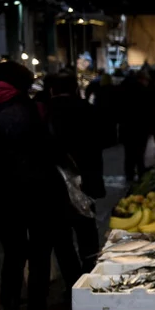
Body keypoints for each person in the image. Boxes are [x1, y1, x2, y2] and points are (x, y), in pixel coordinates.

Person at [0, 62, 83, 310]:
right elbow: (52, 148)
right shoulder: (34, 108)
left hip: (1, 195)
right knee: (40, 254)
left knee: (13, 254)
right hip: (39, 193)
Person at [44, 70, 105, 271]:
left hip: (55, 182)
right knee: (87, 229)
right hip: (86, 179)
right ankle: (90, 270)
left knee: (61, 237)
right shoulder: (87, 108)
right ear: (75, 88)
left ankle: (71, 278)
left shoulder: (45, 111)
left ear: (52, 89)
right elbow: (104, 140)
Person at [119, 69, 155, 183]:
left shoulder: (123, 90)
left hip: (127, 128)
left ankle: (129, 176)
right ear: (143, 79)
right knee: (140, 155)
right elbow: (150, 113)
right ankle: (141, 176)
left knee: (129, 154)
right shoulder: (145, 92)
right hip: (141, 129)